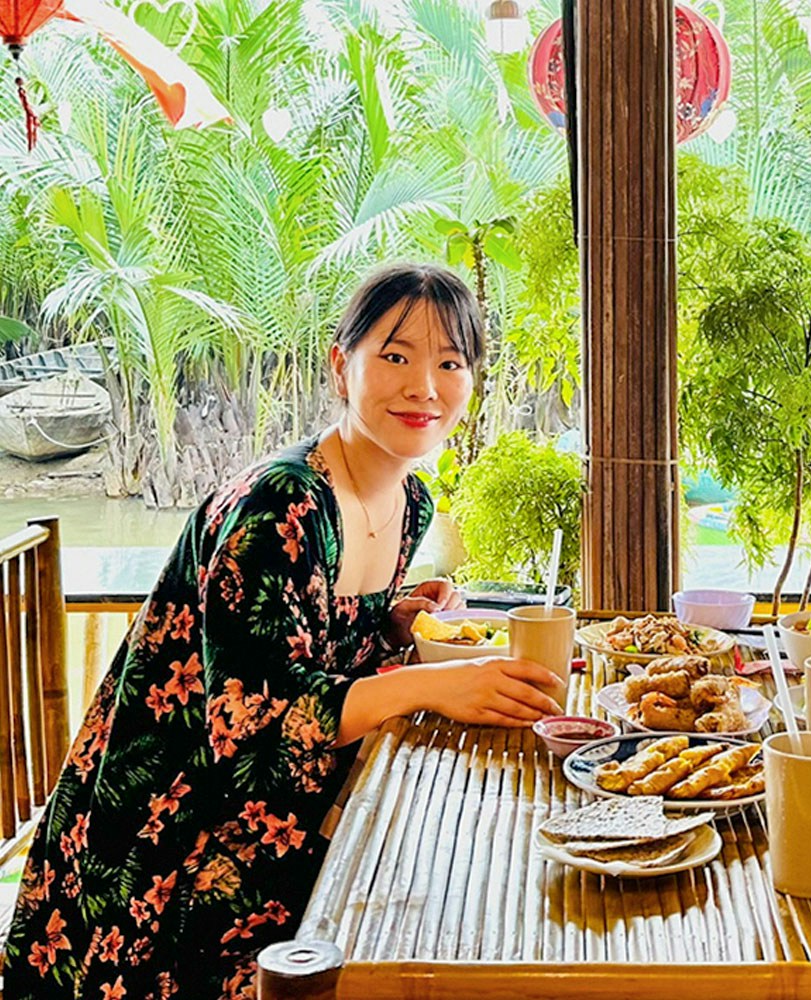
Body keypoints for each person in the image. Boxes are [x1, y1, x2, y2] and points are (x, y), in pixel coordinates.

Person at [4, 263, 567, 999]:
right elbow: (253, 716)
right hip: (168, 847)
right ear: (342, 366)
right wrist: (432, 683)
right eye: (395, 356)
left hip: (284, 820)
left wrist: (391, 624)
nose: (425, 386)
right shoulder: (281, 503)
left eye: (450, 362)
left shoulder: (410, 497)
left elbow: (309, 645)